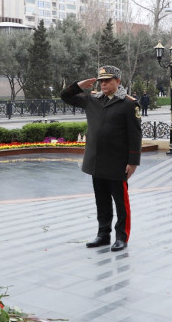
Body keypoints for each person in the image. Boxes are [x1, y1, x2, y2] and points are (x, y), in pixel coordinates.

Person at [60, 65, 142, 252]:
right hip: (96, 160)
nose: (103, 84)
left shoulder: (129, 104)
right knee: (102, 200)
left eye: (107, 81)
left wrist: (133, 162)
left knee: (121, 202)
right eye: (101, 81)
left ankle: (122, 237)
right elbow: (65, 96)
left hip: (117, 162)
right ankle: (103, 234)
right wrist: (80, 85)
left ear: (118, 81)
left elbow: (135, 135)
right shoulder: (92, 100)